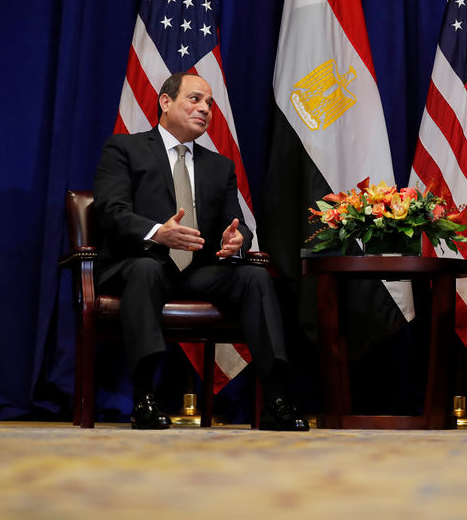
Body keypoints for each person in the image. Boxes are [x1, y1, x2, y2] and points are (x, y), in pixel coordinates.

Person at [94, 72, 308, 431]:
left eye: (209, 103)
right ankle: (145, 398)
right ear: (165, 102)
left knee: (254, 276)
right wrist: (158, 233)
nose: (205, 109)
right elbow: (110, 211)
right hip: (142, 263)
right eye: (195, 99)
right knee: (147, 271)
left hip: (198, 271)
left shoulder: (219, 165)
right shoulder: (125, 148)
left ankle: (276, 400)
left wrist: (236, 241)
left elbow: (237, 224)